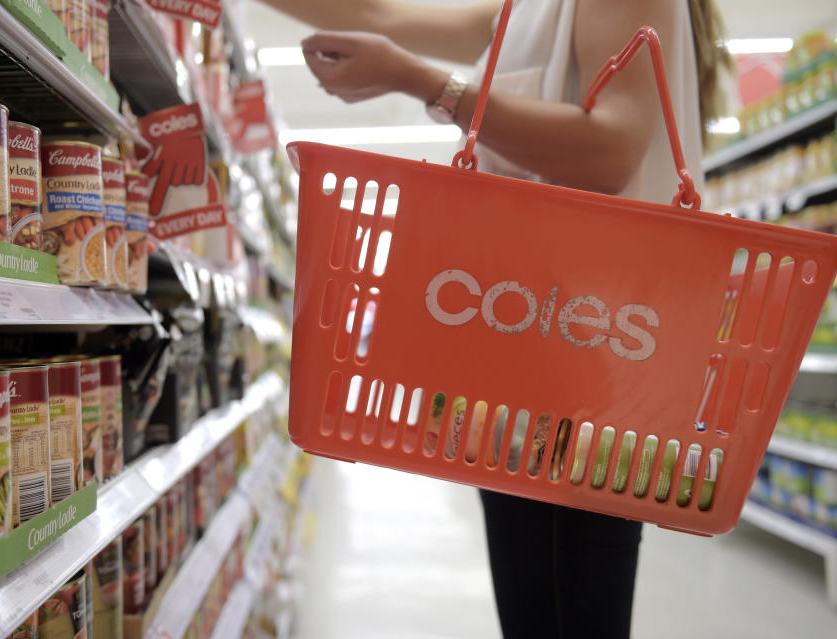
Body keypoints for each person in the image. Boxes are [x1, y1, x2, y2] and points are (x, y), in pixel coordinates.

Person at [257, 0, 730, 636]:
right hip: (521, 345)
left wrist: (429, 84)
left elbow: (611, 150)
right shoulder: (528, 6)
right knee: (536, 604)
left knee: (576, 601)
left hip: (600, 351)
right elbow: (380, 15)